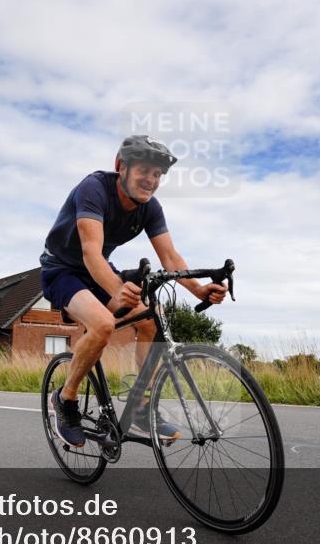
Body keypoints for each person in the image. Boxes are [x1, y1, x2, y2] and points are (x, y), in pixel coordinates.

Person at [40, 135, 227, 448]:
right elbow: (90, 253)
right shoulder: (94, 189)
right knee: (103, 324)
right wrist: (116, 288)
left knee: (152, 318)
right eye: (144, 171)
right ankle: (65, 398)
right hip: (62, 270)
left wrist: (198, 290)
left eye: (157, 174)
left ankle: (140, 407)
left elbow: (170, 257)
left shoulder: (150, 208)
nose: (151, 180)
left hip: (100, 269)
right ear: (121, 167)